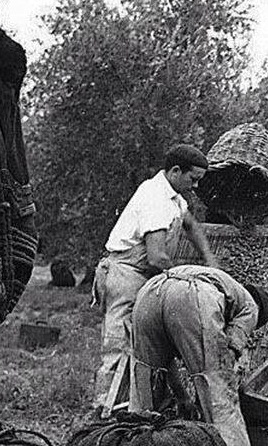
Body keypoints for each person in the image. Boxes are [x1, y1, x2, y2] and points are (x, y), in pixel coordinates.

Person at [92, 144, 218, 412]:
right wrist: (187, 282)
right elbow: (156, 257)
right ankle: (102, 412)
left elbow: (191, 225)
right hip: (126, 274)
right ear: (175, 171)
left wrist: (211, 262)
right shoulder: (155, 198)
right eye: (192, 179)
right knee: (119, 347)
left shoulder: (174, 197)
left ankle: (156, 404)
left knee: (152, 340)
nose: (195, 186)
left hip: (143, 276)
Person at [128, 265, 268, 446]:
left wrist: (182, 397)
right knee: (220, 395)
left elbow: (165, 362)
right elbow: (226, 359)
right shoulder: (251, 306)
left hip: (149, 292)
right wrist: (214, 391)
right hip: (191, 296)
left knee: (147, 385)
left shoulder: (223, 284)